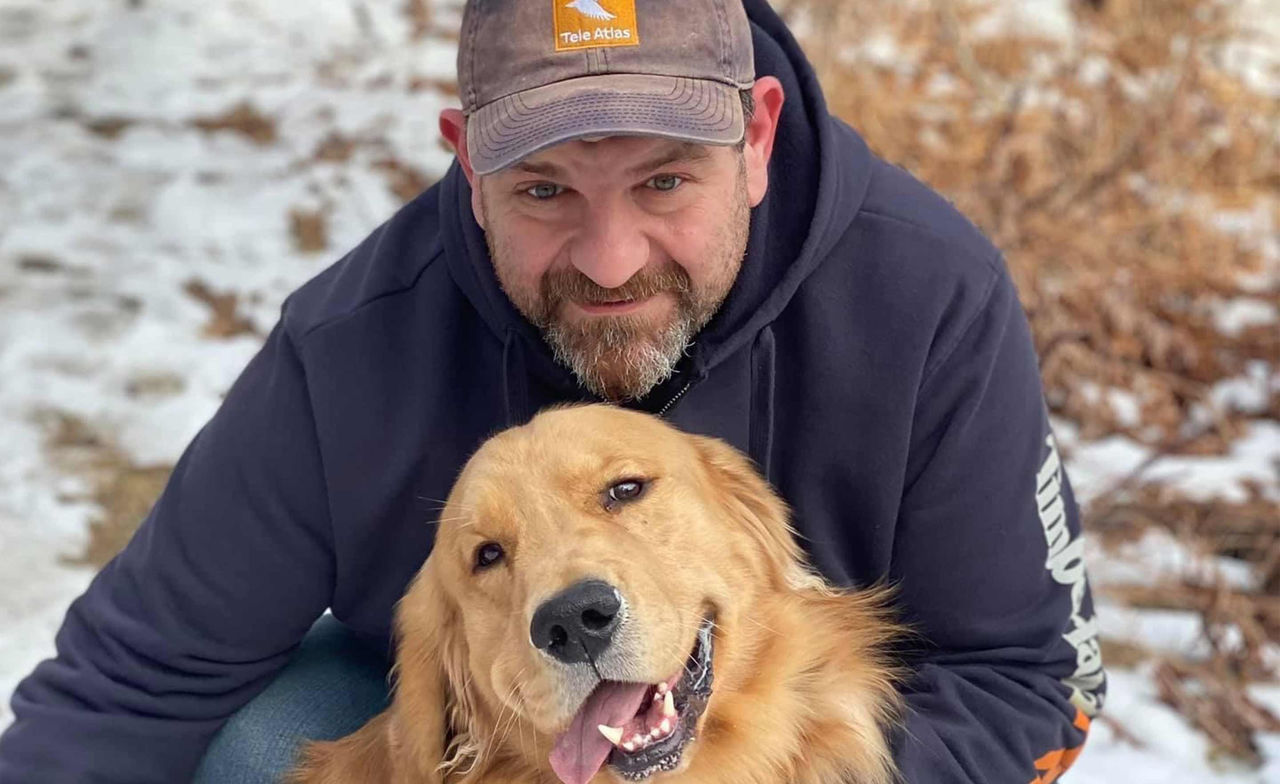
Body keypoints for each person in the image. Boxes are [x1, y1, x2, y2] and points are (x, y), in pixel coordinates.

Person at [0, 0, 1106, 782]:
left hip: (815, 749)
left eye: (663, 180)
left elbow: (1026, 672)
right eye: (542, 190)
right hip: (505, 742)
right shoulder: (347, 350)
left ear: (756, 135)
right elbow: (128, 682)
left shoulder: (925, 292)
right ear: (468, 167)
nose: (612, 259)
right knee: (259, 741)